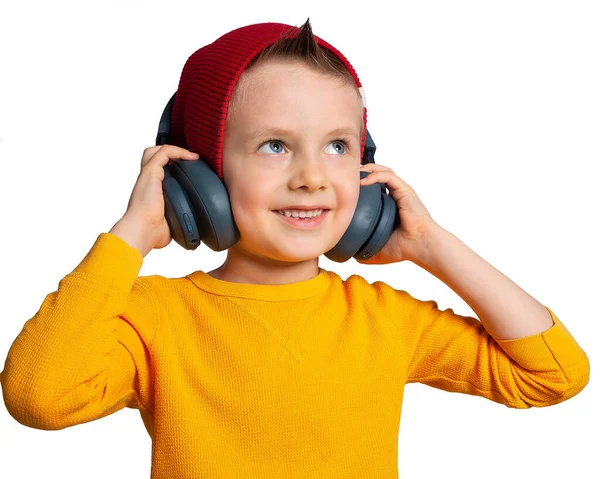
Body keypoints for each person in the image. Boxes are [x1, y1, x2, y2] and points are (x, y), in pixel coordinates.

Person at [0, 18, 590, 479]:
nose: (312, 176)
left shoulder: (383, 321)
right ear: (197, 176)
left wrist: (433, 245)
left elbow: (554, 374)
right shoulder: (156, 317)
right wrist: (130, 236)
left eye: (337, 146)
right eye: (275, 146)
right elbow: (38, 396)